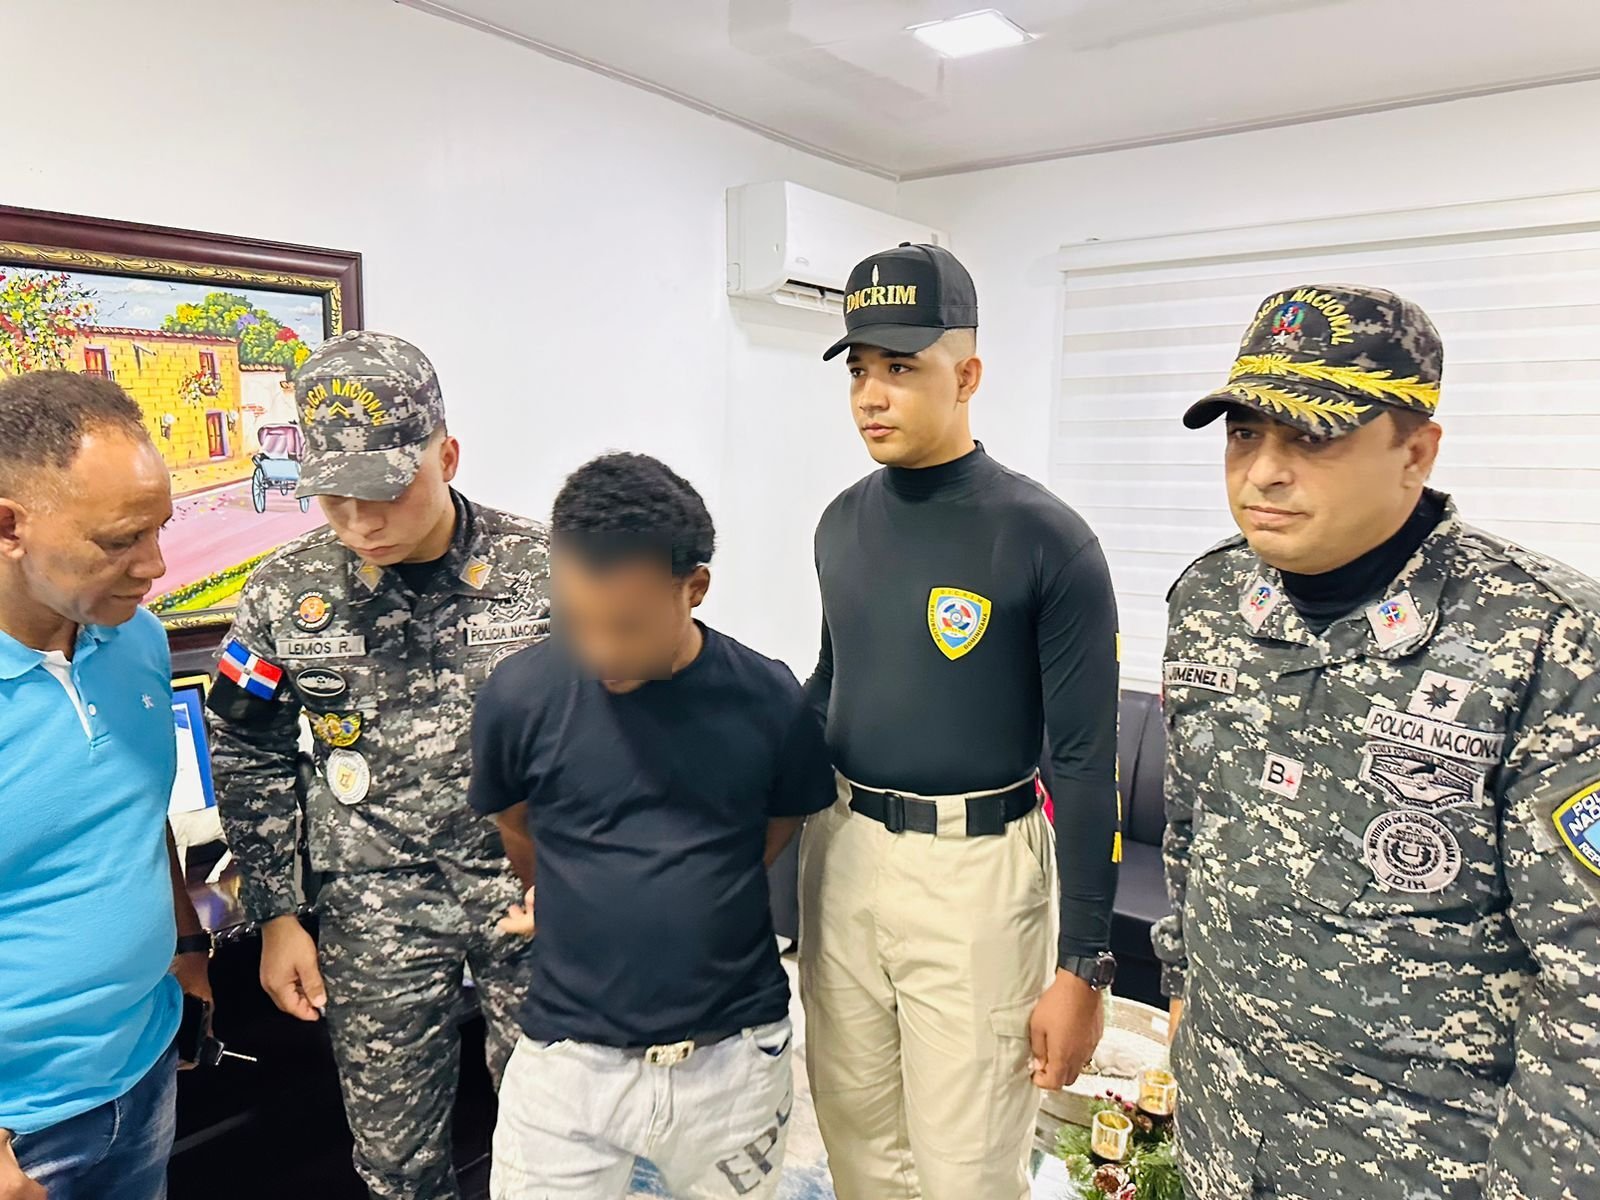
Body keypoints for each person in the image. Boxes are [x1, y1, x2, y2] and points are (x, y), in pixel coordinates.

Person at [1156, 284, 1600, 1199]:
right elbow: (1194, 827)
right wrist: (1182, 986)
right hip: (1224, 1128)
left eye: (1311, 438)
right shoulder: (1209, 600)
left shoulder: (1545, 640)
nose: (1263, 472)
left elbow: (1586, 981)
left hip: (1416, 1161)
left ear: (1416, 452)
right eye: (1244, 434)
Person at [801, 244, 1122, 1200]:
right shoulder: (839, 522)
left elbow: (1085, 759)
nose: (872, 396)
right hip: (843, 852)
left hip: (976, 875)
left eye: (901, 368)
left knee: (966, 1168)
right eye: (859, 370)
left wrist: (1083, 965)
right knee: (856, 1143)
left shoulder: (1046, 537)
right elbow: (831, 684)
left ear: (968, 375)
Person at [205, 331, 552, 1200]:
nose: (361, 523)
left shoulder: (547, 572)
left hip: (531, 888)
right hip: (372, 901)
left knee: (558, 1136)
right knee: (396, 1161)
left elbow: (619, 730)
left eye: (386, 494)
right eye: (334, 498)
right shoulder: (284, 593)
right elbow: (247, 745)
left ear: (448, 456)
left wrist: (593, 871)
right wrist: (278, 913)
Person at [470, 453, 835, 1200]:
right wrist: (577, 892)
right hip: (566, 1066)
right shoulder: (519, 696)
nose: (601, 652)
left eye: (627, 627)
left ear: (693, 588)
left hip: (734, 1064)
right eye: (577, 622)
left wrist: (689, 888)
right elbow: (517, 825)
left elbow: (776, 826)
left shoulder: (769, 699)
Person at [0, 371, 212, 1200]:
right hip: (22, 1130)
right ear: (9, 526)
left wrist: (187, 946)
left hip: (143, 1067)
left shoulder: (137, 639)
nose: (153, 566)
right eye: (121, 540)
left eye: (159, 529)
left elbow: (136, 812)